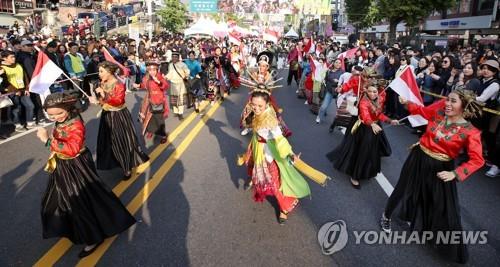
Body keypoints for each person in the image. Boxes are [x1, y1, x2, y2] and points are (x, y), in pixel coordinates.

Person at [380, 89, 485, 264]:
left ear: (464, 106)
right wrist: (407, 103)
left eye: (453, 101)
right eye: (447, 100)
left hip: (442, 167)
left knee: (441, 202)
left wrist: (455, 173)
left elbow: (477, 160)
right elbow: (421, 111)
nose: (448, 104)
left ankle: (433, 233)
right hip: (419, 157)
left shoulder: (470, 132)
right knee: (403, 188)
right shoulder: (438, 111)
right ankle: (386, 215)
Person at [36, 92, 136, 258]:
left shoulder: (76, 125)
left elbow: (72, 149)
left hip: (77, 166)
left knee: (80, 201)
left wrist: (47, 140)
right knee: (58, 198)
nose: (55, 117)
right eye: (50, 114)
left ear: (68, 108)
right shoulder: (63, 121)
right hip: (63, 165)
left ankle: (93, 237)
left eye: (59, 113)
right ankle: (69, 226)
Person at [237, 88, 311, 224]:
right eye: (254, 104)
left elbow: (279, 138)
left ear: (267, 103)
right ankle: (254, 179)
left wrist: (290, 154)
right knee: (252, 165)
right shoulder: (252, 111)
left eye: (260, 105)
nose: (256, 108)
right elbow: (250, 125)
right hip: (256, 146)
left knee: (274, 184)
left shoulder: (270, 119)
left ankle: (285, 208)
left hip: (268, 153)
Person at [328, 83, 398, 188]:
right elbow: (365, 116)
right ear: (366, 91)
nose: (372, 94)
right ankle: (354, 176)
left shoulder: (380, 99)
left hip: (374, 127)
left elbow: (379, 114)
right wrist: (372, 124)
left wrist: (390, 121)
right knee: (362, 152)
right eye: (370, 91)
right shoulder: (364, 101)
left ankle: (367, 170)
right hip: (364, 128)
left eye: (375, 91)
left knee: (372, 151)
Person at [94, 62, 149, 179]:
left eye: (101, 71)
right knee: (109, 142)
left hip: (118, 116)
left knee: (121, 142)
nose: (99, 74)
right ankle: (113, 162)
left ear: (110, 72)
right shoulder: (102, 83)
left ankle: (127, 168)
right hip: (107, 115)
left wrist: (104, 95)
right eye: (99, 71)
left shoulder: (119, 84)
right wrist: (96, 99)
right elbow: (102, 102)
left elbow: (118, 101)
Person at [134, 61, 169, 145]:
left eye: (154, 70)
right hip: (148, 100)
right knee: (148, 118)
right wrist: (138, 86)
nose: (152, 72)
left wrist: (159, 82)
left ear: (157, 70)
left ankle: (163, 135)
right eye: (150, 70)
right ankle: (151, 131)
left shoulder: (160, 77)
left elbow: (165, 86)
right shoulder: (146, 77)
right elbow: (144, 85)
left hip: (158, 100)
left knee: (159, 119)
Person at [166, 51, 190, 120]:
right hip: (173, 83)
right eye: (173, 57)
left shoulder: (182, 64)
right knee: (174, 98)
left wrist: (186, 75)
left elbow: (187, 71)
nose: (174, 58)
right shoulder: (170, 65)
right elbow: (170, 74)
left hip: (180, 83)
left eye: (175, 57)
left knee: (181, 98)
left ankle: (180, 113)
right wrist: (165, 77)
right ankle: (176, 111)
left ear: (178, 58)